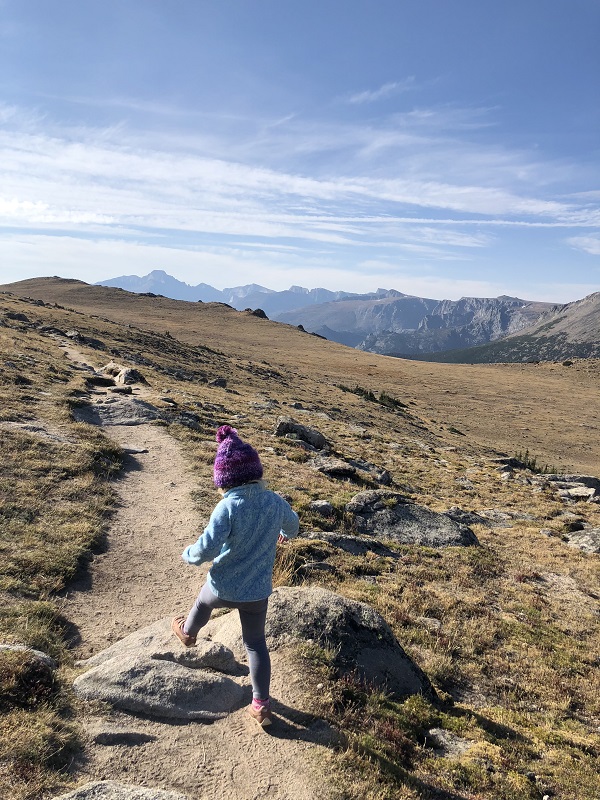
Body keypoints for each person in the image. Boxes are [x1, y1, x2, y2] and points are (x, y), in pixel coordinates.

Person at [172, 424, 299, 727]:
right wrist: (281, 531)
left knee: (202, 603)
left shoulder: (227, 506)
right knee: (255, 644)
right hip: (257, 590)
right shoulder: (274, 501)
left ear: (224, 480)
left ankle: (188, 633)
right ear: (256, 472)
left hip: (223, 585)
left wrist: (188, 554)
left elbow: (206, 549)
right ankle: (261, 705)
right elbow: (293, 527)